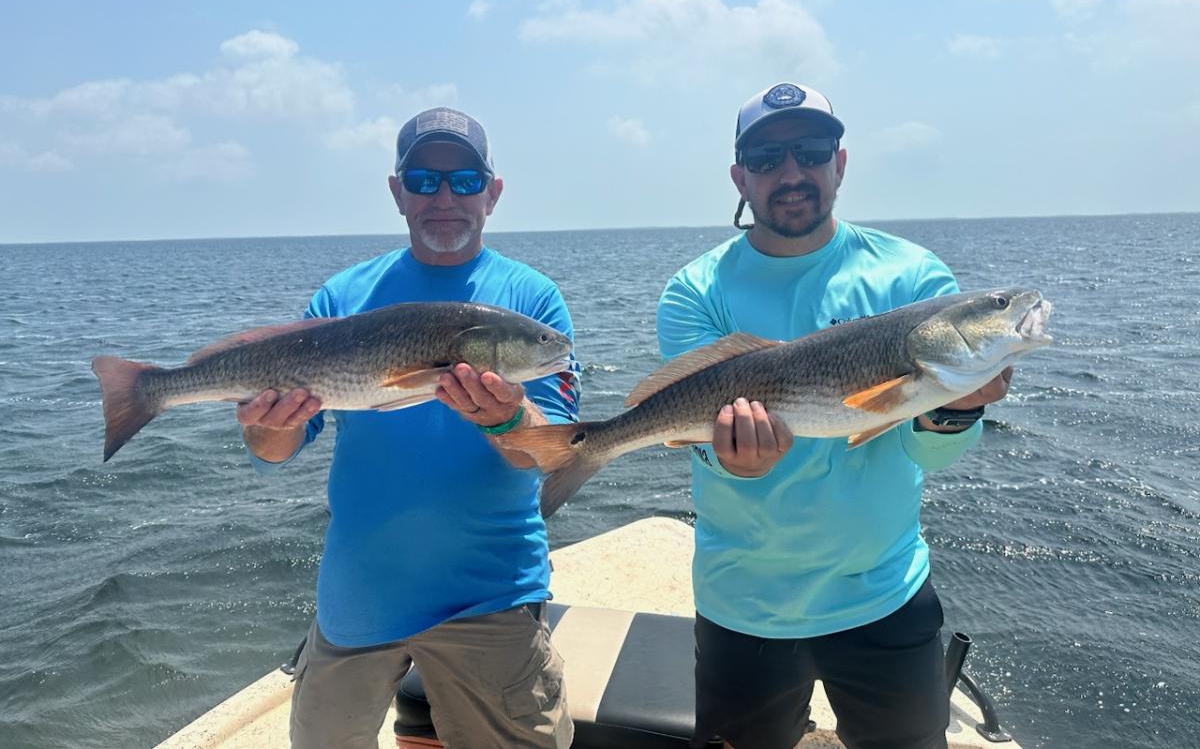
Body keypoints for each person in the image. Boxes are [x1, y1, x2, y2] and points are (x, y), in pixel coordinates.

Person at [657, 83, 1014, 749]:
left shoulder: (914, 278)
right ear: (740, 177)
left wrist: (954, 411)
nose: (790, 173)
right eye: (766, 158)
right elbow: (699, 439)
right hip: (746, 602)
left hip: (884, 591)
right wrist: (729, 458)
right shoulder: (695, 291)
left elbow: (925, 451)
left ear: (839, 163)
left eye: (810, 151)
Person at [236, 107, 579, 749]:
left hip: (491, 593)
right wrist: (266, 424)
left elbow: (550, 452)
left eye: (464, 180)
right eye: (423, 180)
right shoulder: (340, 299)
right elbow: (275, 449)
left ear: (493, 192)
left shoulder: (532, 305)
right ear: (397, 192)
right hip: (357, 594)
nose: (444, 196)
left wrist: (507, 418)